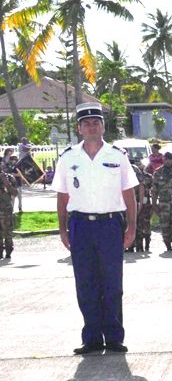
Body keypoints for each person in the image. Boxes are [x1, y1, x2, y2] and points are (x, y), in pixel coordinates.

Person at [52, 102, 138, 354]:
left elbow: (129, 193)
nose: (91, 127)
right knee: (86, 282)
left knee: (112, 283)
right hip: (80, 225)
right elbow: (62, 195)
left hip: (110, 224)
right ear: (79, 128)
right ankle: (91, 337)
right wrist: (63, 228)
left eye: (96, 122)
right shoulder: (69, 157)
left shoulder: (117, 156)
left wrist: (131, 227)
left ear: (103, 126)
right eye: (86, 123)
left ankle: (113, 337)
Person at [152, 153, 172, 252]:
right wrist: (154, 204)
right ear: (163, 160)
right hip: (163, 204)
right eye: (166, 159)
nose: (168, 161)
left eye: (170, 160)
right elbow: (154, 190)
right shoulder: (158, 172)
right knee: (164, 225)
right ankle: (168, 246)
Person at [0, 169, 19, 259]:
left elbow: (15, 193)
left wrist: (6, 182)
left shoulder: (9, 178)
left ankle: (8, 251)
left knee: (7, 232)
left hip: (5, 210)